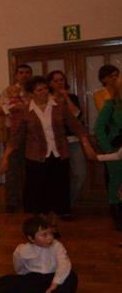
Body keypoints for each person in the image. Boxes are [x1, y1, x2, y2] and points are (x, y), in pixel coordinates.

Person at [1, 76, 96, 231]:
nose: (44, 92)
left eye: (45, 88)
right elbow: (15, 137)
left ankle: (53, 224)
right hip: (35, 157)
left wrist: (87, 146)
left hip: (59, 155)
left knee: (58, 191)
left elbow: (76, 126)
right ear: (31, 93)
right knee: (39, 193)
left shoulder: (59, 106)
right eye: (39, 90)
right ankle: (42, 225)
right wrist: (5, 157)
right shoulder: (25, 111)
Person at [47, 70, 86, 211]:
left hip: (73, 140)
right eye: (56, 80)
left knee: (80, 174)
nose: (59, 83)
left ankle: (69, 203)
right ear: (50, 83)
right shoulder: (47, 99)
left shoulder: (72, 97)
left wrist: (65, 97)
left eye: (61, 80)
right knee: (58, 176)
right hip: (56, 142)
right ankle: (60, 207)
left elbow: (76, 115)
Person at [0, 63, 32, 212]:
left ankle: (30, 201)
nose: (24, 75)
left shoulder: (34, 90)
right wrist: (11, 108)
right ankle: (12, 202)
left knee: (31, 169)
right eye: (21, 72)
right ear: (16, 75)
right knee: (12, 169)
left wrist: (24, 105)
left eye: (27, 72)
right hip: (14, 132)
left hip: (33, 133)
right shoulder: (9, 90)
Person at [94, 78, 122, 230]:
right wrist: (107, 148)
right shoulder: (111, 105)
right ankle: (117, 216)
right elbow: (99, 128)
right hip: (115, 148)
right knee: (116, 181)